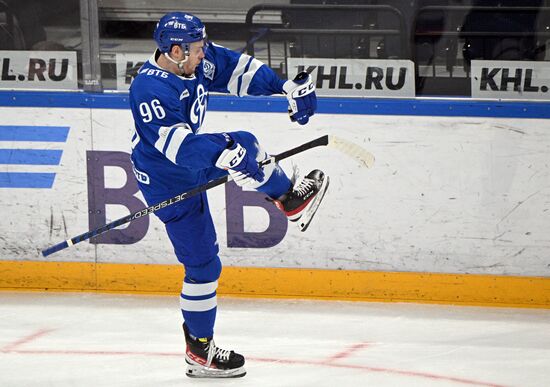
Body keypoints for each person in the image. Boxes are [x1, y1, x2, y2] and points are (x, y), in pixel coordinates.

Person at [128, 12, 329, 378]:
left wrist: (284, 87)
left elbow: (238, 70)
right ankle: (200, 352)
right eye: (198, 48)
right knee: (204, 267)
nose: (204, 53)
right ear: (175, 50)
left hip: (189, 161)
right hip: (166, 178)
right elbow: (179, 148)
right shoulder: (149, 89)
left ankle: (290, 199)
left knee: (247, 145)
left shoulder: (193, 62)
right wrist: (224, 155)